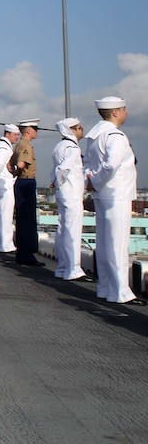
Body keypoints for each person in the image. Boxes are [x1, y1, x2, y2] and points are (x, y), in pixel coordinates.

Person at [84, 96, 143, 305]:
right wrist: (97, 182)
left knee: (105, 242)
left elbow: (88, 165)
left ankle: (106, 287)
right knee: (117, 244)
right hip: (116, 194)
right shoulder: (115, 136)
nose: (126, 112)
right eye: (124, 108)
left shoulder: (94, 135)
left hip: (102, 194)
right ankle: (120, 292)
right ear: (115, 112)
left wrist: (90, 183)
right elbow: (111, 166)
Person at [51, 117, 90, 282]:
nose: (82, 130)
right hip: (71, 193)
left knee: (62, 230)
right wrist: (60, 183)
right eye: (79, 127)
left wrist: (56, 184)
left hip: (63, 194)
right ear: (72, 130)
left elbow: (55, 171)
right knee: (72, 231)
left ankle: (62, 267)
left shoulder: (59, 146)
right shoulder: (72, 148)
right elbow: (63, 169)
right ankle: (73, 269)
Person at [11, 119, 44, 266]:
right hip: (27, 182)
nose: (37, 132)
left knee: (23, 218)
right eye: (36, 129)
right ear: (29, 130)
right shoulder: (26, 145)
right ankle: (26, 254)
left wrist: (14, 172)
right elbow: (20, 164)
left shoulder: (19, 145)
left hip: (22, 182)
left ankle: (23, 252)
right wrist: (18, 172)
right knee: (27, 220)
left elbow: (9, 164)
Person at [0, 124, 20, 254]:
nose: (17, 137)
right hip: (4, 183)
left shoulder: (4, 146)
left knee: (3, 213)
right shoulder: (3, 147)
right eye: (15, 135)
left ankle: (2, 243)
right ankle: (5, 245)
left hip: (3, 182)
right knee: (5, 215)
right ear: (7, 133)